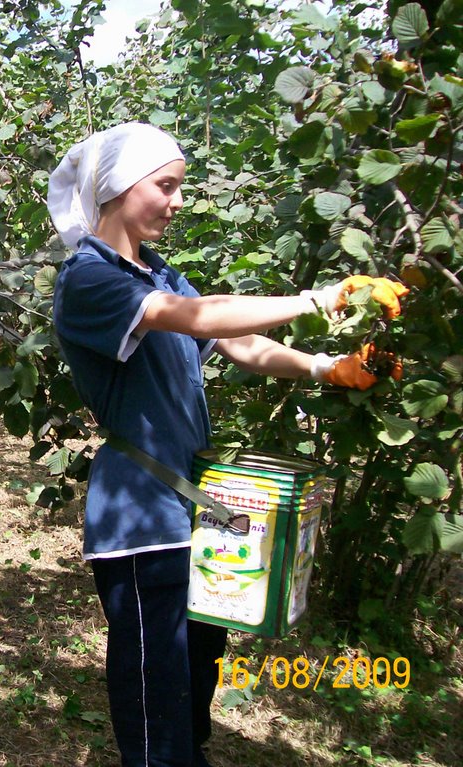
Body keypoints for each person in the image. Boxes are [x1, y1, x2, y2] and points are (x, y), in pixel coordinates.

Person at [48, 123, 405, 767]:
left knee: (197, 667)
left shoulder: (157, 272)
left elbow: (235, 343)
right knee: (157, 676)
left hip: (193, 506)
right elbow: (199, 317)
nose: (177, 201)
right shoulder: (89, 279)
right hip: (140, 515)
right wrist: (318, 298)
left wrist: (329, 367)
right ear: (117, 188)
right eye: (166, 186)